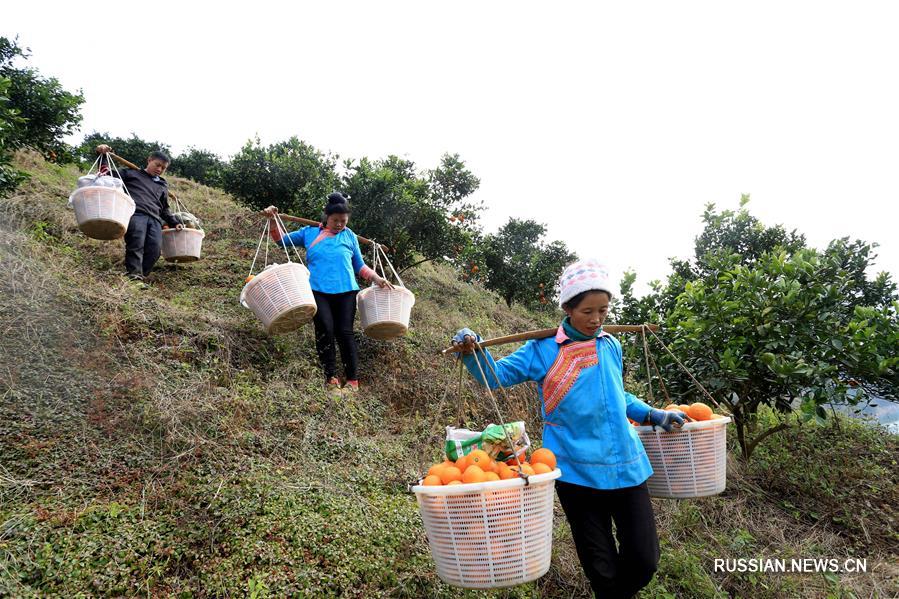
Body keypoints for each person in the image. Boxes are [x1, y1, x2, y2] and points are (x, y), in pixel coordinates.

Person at [451, 259, 685, 599]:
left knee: (644, 560)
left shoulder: (610, 345)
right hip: (576, 471)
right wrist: (472, 351)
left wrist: (652, 414)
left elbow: (618, 394)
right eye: (587, 311)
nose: (596, 319)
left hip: (626, 465)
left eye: (603, 311)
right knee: (600, 567)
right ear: (568, 308)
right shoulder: (542, 350)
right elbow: (495, 376)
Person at [263, 193, 393, 392]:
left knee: (345, 332)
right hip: (317, 290)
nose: (339, 224)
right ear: (326, 217)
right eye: (335, 220)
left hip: (346, 291)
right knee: (325, 329)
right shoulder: (309, 233)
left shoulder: (349, 236)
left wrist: (376, 278)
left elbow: (359, 265)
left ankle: (352, 381)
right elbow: (281, 240)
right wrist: (272, 219)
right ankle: (330, 377)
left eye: (343, 221)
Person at [95, 144, 183, 284]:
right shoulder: (131, 173)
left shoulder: (162, 184)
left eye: (163, 168)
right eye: (157, 165)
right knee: (136, 244)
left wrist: (174, 222)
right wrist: (103, 155)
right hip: (136, 214)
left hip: (155, 219)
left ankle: (140, 275)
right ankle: (134, 277)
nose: (159, 169)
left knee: (154, 251)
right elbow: (106, 174)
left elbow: (164, 208)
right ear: (149, 160)